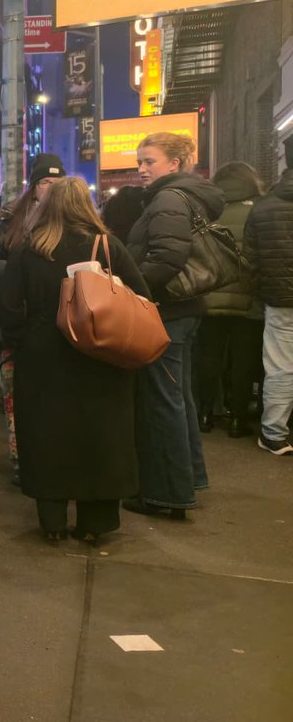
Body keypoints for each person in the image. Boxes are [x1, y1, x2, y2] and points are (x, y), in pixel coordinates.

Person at [0, 178, 150, 543]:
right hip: (102, 354)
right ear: (87, 204)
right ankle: (96, 523)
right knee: (101, 435)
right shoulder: (107, 246)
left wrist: (25, 340)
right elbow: (142, 296)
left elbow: (6, 309)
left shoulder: (29, 249)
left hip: (43, 356)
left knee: (47, 433)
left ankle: (52, 521)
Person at [125, 132, 225, 518]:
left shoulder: (168, 198)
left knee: (162, 402)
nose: (141, 169)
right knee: (178, 399)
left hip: (167, 311)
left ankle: (167, 494)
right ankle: (188, 480)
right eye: (140, 161)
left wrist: (132, 291)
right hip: (184, 310)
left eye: (149, 161)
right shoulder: (188, 195)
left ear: (175, 163)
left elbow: (167, 257)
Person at [0, 154, 65, 484]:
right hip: (16, 328)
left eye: (57, 183)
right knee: (16, 398)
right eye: (45, 182)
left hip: (61, 328)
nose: (51, 189)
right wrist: (20, 276)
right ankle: (21, 460)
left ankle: (54, 459)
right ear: (34, 186)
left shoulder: (75, 220)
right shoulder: (12, 221)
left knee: (56, 399)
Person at [196, 162, 265, 439]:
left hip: (211, 295)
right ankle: (237, 417)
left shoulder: (208, 209)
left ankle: (204, 414)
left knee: (209, 357)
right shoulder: (259, 208)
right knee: (243, 359)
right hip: (248, 299)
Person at [243, 137, 293, 456]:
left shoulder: (264, 206)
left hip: (279, 298)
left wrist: (260, 292)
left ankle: (274, 433)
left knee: (280, 367)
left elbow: (250, 260)